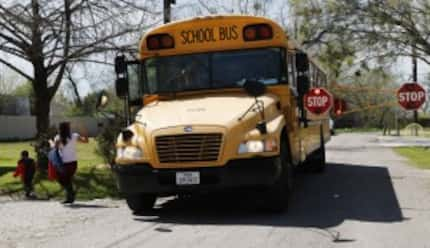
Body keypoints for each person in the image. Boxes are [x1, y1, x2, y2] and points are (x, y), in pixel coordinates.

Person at [50, 122, 88, 204]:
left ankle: (70, 195)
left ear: (60, 129)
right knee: (67, 180)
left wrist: (50, 142)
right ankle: (70, 196)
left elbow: (54, 148)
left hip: (63, 163)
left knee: (62, 179)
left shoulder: (58, 137)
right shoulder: (74, 136)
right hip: (73, 163)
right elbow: (86, 141)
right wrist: (85, 132)